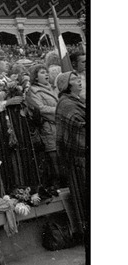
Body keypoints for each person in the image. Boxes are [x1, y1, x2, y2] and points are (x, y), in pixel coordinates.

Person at [0, 51, 40, 193]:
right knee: (9, 153)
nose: (7, 63)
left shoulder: (5, 79)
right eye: (3, 61)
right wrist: (8, 102)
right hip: (2, 123)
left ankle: (25, 186)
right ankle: (14, 188)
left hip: (15, 120)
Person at [55, 71, 87, 238]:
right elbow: (77, 127)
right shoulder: (66, 103)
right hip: (77, 157)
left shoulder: (78, 100)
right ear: (67, 85)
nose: (79, 81)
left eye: (78, 78)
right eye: (73, 79)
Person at [25, 63, 60, 189]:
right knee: (53, 161)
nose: (46, 74)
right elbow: (39, 108)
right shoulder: (33, 91)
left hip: (59, 126)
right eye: (42, 72)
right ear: (35, 77)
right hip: (48, 128)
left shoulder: (53, 88)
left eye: (46, 72)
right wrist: (58, 110)